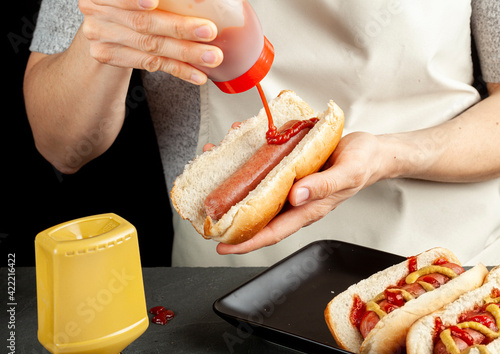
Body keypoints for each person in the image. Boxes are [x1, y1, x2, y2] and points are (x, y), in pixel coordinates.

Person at [25, 0, 500, 267]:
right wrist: (107, 39)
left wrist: (392, 154)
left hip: (446, 263)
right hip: (226, 285)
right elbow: (63, 148)